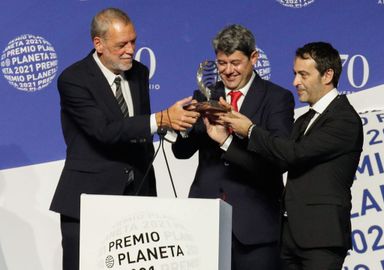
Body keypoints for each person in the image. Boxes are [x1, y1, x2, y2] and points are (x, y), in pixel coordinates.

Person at [49, 8, 199, 270]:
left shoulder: (138, 72)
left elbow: (136, 128)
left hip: (138, 194)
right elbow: (104, 131)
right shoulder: (73, 80)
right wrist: (161, 118)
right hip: (89, 198)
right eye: (122, 44)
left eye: (133, 41)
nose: (131, 49)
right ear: (99, 44)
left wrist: (177, 122)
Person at [215, 42, 364, 269]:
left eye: (303, 75)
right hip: (290, 237)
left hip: (321, 239)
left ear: (327, 75)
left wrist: (252, 129)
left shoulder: (343, 119)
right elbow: (280, 160)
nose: (295, 82)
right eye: (295, 74)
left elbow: (295, 154)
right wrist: (226, 141)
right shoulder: (306, 119)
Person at [171, 24, 295, 270]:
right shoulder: (205, 95)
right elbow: (181, 152)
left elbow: (278, 162)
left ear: (254, 58)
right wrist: (183, 126)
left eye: (235, 63)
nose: (228, 71)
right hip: (204, 221)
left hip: (254, 226)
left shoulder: (277, 99)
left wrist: (227, 141)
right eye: (221, 63)